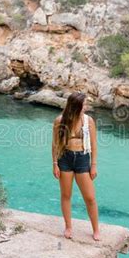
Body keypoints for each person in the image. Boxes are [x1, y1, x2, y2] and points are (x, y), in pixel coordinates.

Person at [52, 92, 100, 241]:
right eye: (84, 104)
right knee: (66, 195)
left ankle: (96, 230)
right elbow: (54, 144)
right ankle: (68, 226)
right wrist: (55, 164)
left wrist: (93, 165)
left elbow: (93, 145)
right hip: (64, 158)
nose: (86, 107)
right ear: (76, 106)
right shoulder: (60, 120)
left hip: (82, 159)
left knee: (90, 198)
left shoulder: (88, 121)